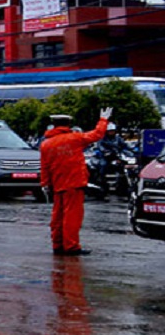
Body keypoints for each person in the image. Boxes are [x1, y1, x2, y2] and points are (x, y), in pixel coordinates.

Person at [39, 108, 112, 256]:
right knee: (72, 216)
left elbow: (45, 167)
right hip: (74, 182)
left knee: (57, 217)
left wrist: (45, 184)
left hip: (57, 183)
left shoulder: (46, 144)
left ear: (53, 124)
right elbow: (97, 134)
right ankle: (71, 246)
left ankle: (57, 244)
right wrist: (103, 120)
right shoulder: (75, 138)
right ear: (68, 125)